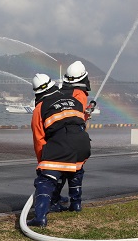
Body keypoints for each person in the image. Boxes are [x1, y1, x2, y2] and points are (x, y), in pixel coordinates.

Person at [27, 73, 91, 227]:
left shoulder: (40, 108)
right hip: (83, 143)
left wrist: (42, 165)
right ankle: (75, 205)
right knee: (75, 170)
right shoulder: (73, 101)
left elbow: (39, 140)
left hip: (63, 144)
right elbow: (81, 124)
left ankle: (40, 217)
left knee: (46, 180)